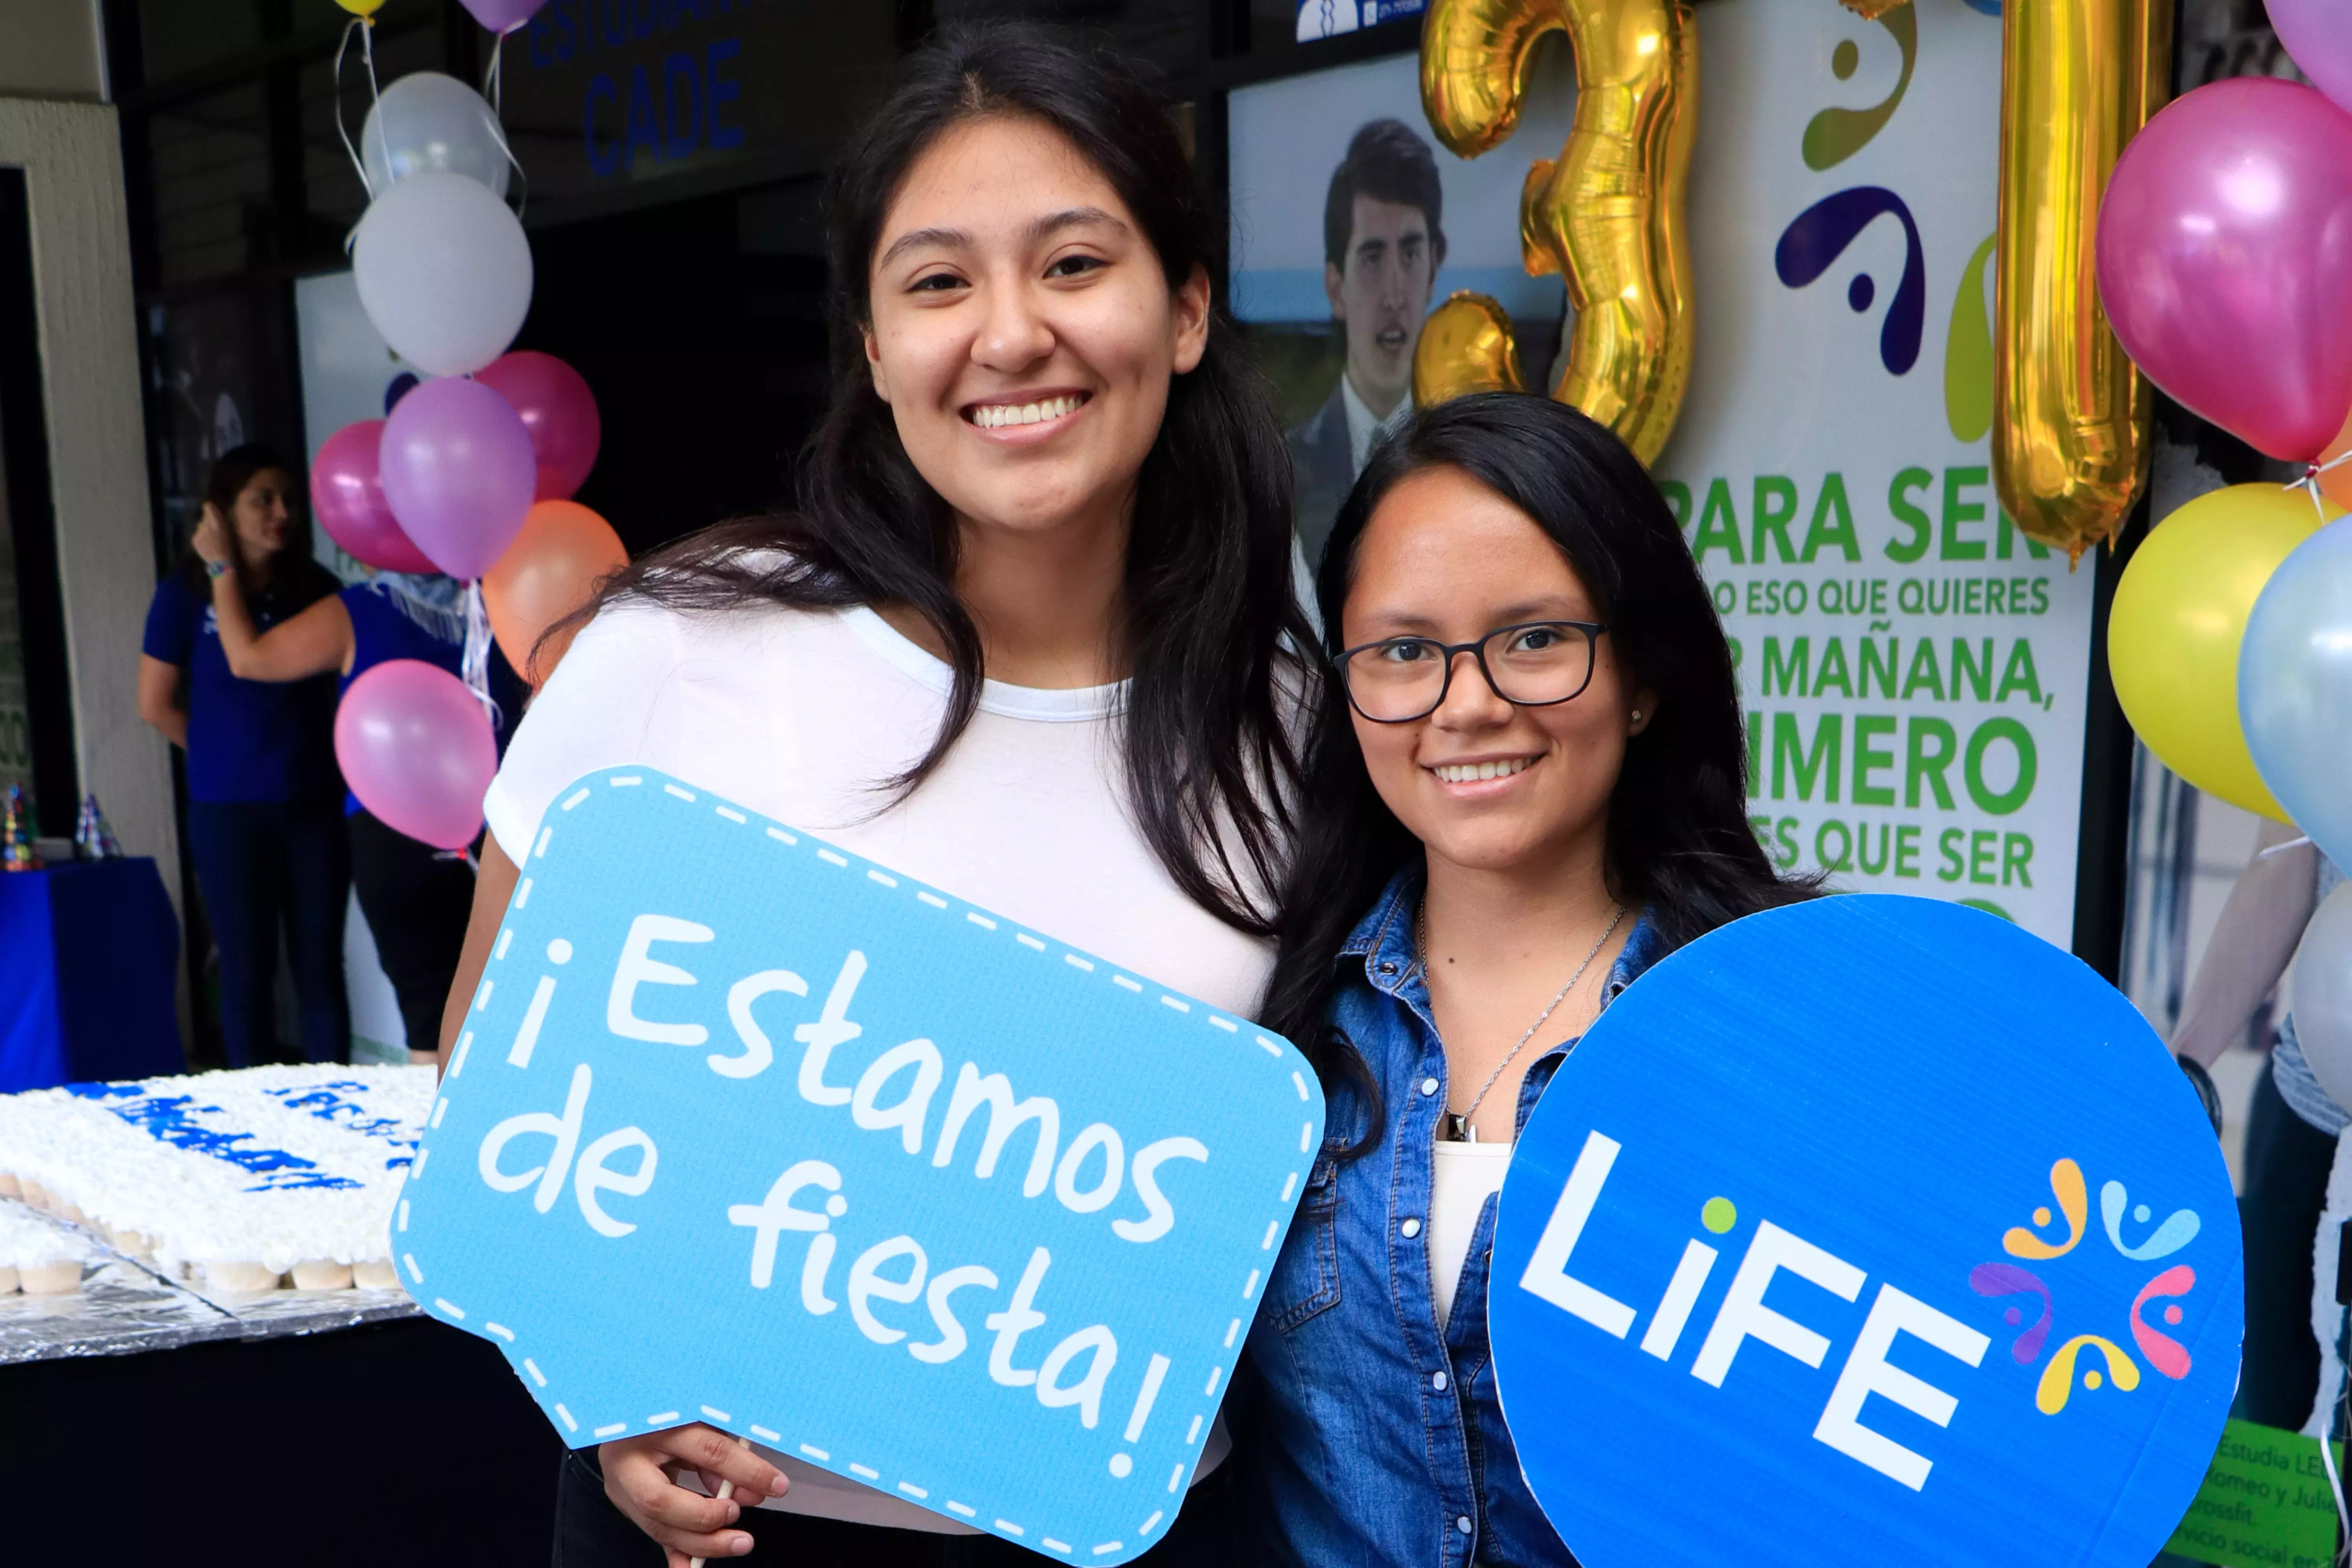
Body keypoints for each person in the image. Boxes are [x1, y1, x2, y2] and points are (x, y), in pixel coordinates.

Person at [434, 24, 1312, 1567]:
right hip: (732, 1541)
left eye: (1073, 264)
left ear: (1182, 311)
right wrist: (593, 1388)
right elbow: (488, 1078)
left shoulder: (1290, 710)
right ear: (872, 345)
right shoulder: (687, 645)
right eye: (939, 281)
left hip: (1139, 1533)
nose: (1010, 335)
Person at [1248, 393, 1814, 1568]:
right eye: (1403, 651)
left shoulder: (1787, 1030)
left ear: (1641, 675)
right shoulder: (1268, 1025)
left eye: (1535, 639)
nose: (1467, 703)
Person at [193, 545, 514, 1068]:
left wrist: (220, 566)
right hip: (498, 833)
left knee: (430, 1022)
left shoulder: (360, 609)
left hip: (395, 837)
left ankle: (435, 1143)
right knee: (504, 1014)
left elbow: (249, 658)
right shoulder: (498, 605)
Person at [137, 444, 350, 1068]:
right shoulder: (182, 596)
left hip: (313, 805)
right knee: (247, 967)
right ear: (222, 511)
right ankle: (251, 1106)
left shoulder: (318, 590)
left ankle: (337, 1102)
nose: (281, 511)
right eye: (263, 499)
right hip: (227, 812)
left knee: (319, 965)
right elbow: (155, 705)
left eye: (287, 499)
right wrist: (218, 756)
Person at [2171, 820, 2344, 1429]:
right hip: (2312, 1105)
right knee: (2274, 1418)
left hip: (2310, 1103)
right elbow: (2286, 856)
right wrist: (2184, 1065)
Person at [1287, 118, 1445, 572]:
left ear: (1435, 268)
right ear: (1336, 287)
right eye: (1373, 259)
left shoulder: (1476, 453)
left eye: (1411, 253)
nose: (1395, 295)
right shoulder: (1283, 470)